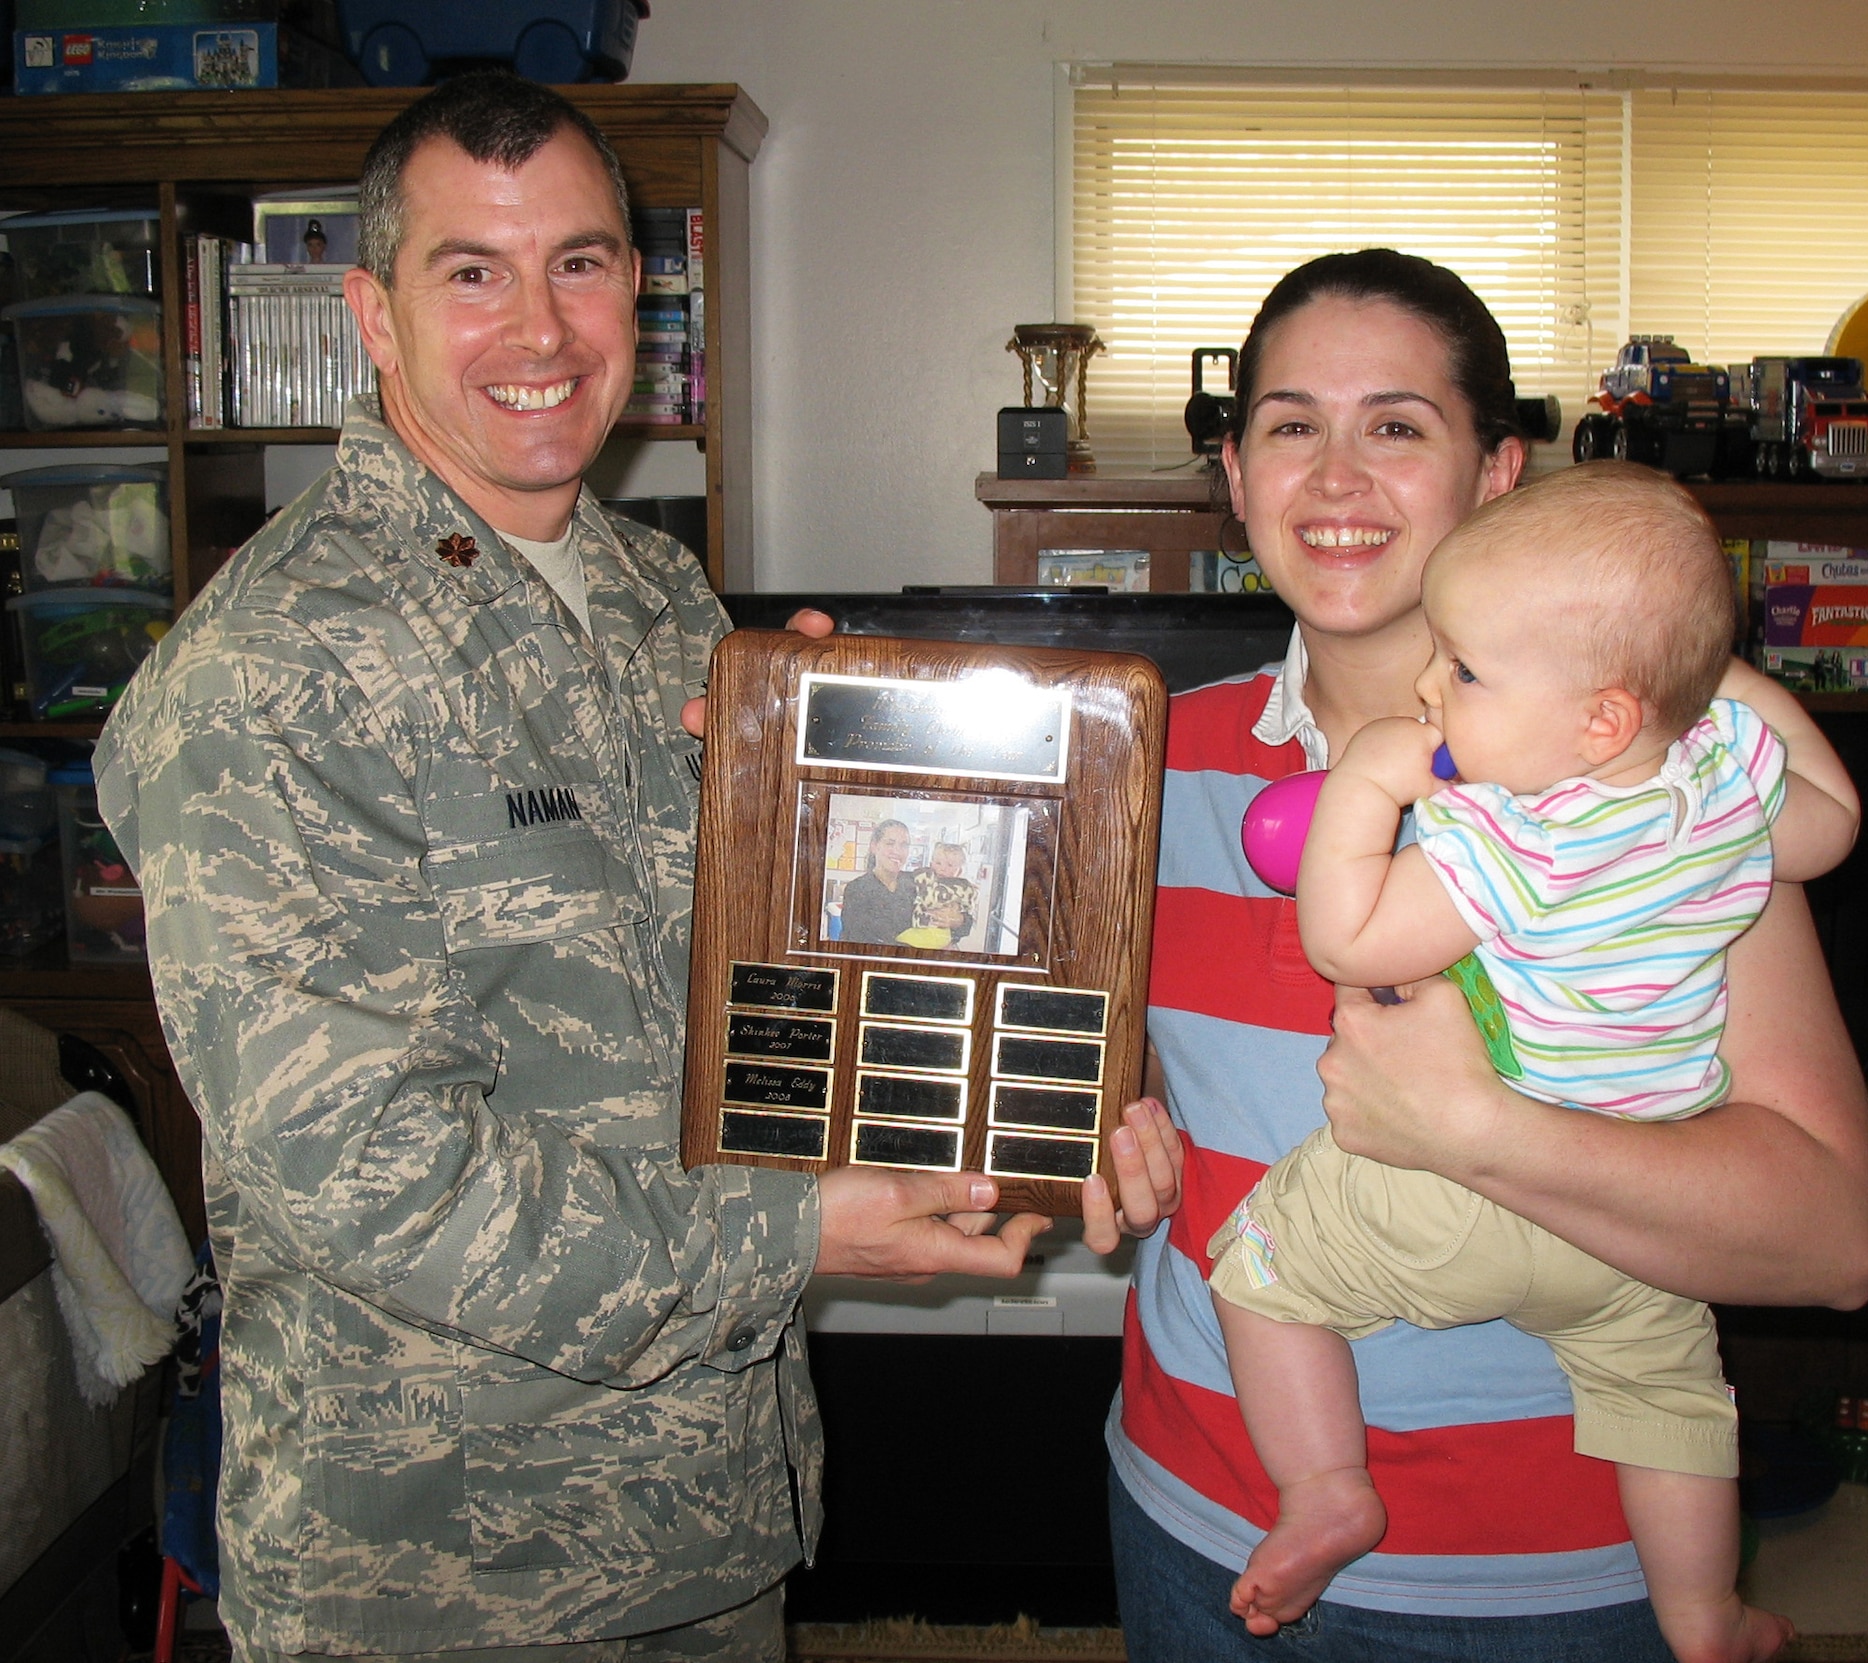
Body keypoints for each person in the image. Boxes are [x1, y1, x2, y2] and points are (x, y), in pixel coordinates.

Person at [94, 72, 1182, 1663]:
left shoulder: (655, 593)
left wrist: (1017, 1093)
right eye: (473, 271)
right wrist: (805, 1233)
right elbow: (377, 1179)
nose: (541, 328)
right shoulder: (273, 674)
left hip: (700, 1507)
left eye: (583, 263)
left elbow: (748, 1000)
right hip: (443, 1569)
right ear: (372, 315)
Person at [1107, 249, 1868, 1663]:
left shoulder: (1646, 801)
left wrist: (1481, 1128)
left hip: (1558, 1577)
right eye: (1291, 424)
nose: (1336, 477)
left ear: (1500, 473)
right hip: (1196, 1521)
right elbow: (1143, 1074)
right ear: (1235, 474)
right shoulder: (1138, 760)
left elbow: (1837, 1244)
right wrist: (1111, 1129)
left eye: (1398, 425)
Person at [837, 818, 919, 943]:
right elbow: (858, 939)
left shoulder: (915, 883)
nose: (897, 851)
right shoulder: (857, 889)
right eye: (890, 843)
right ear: (874, 847)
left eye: (904, 845)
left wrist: (958, 920)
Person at [897, 841, 979, 948]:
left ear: (959, 871)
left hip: (936, 932)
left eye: (950, 865)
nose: (942, 868)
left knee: (903, 940)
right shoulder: (928, 880)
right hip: (923, 929)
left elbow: (930, 901)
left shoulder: (958, 887)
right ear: (931, 864)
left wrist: (923, 875)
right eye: (938, 863)